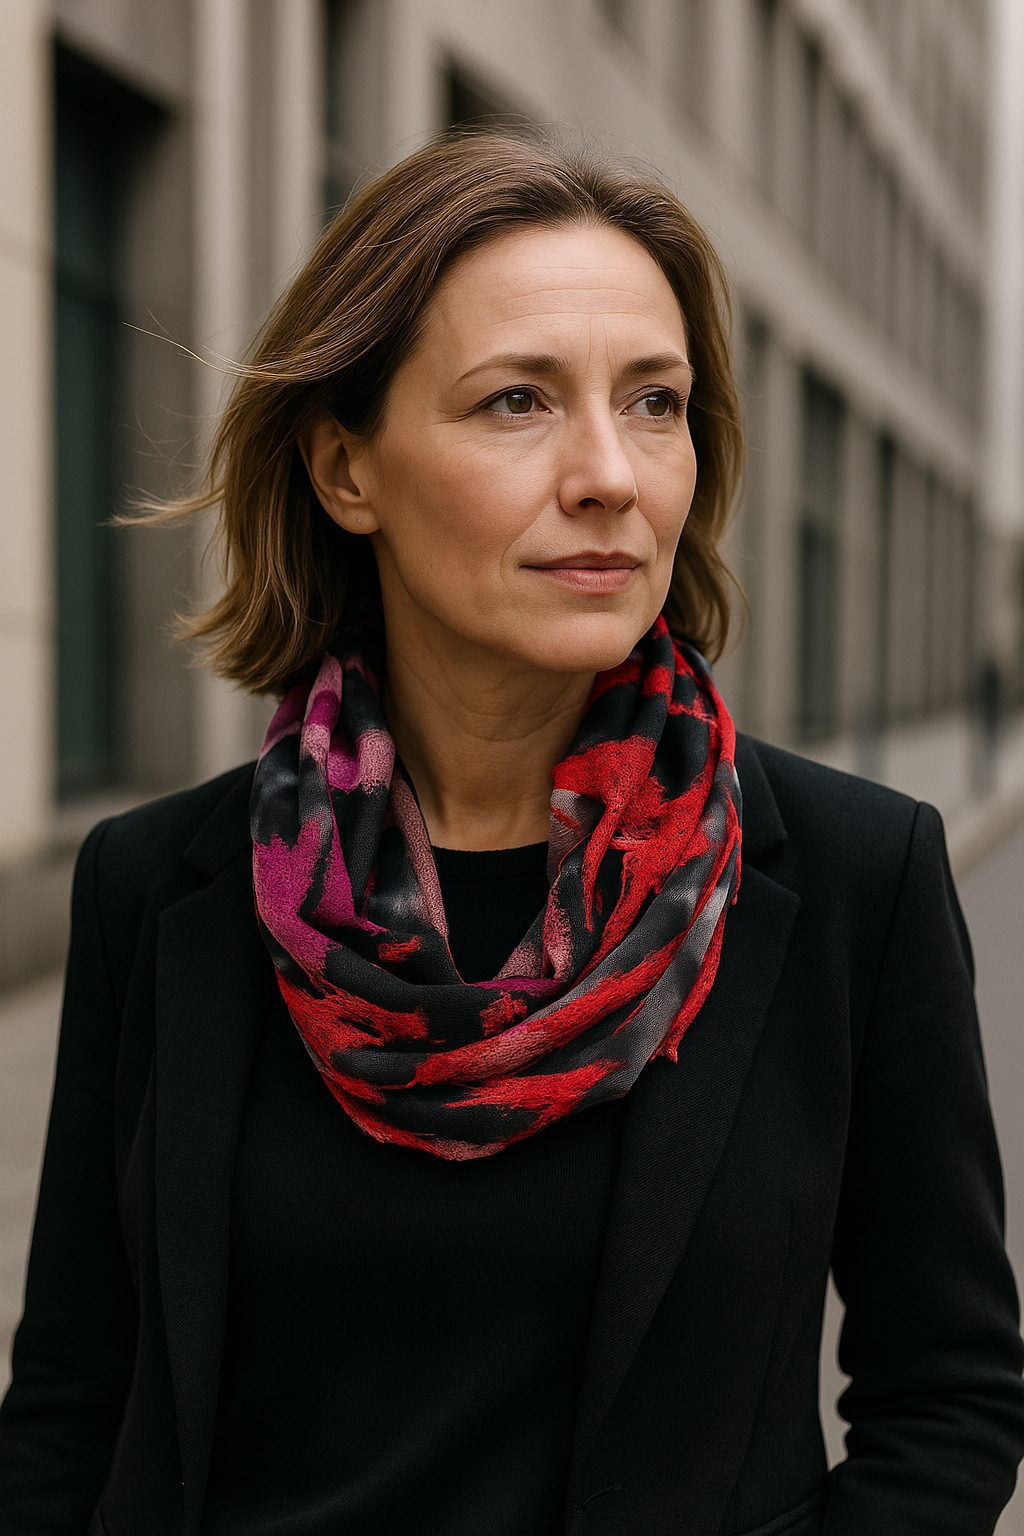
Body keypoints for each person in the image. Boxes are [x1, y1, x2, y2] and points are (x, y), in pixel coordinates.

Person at [0, 131, 1022, 1536]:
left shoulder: (857, 879)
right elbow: (72, 1402)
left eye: (654, 403)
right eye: (518, 401)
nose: (610, 473)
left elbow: (951, 1392)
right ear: (345, 469)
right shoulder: (156, 887)